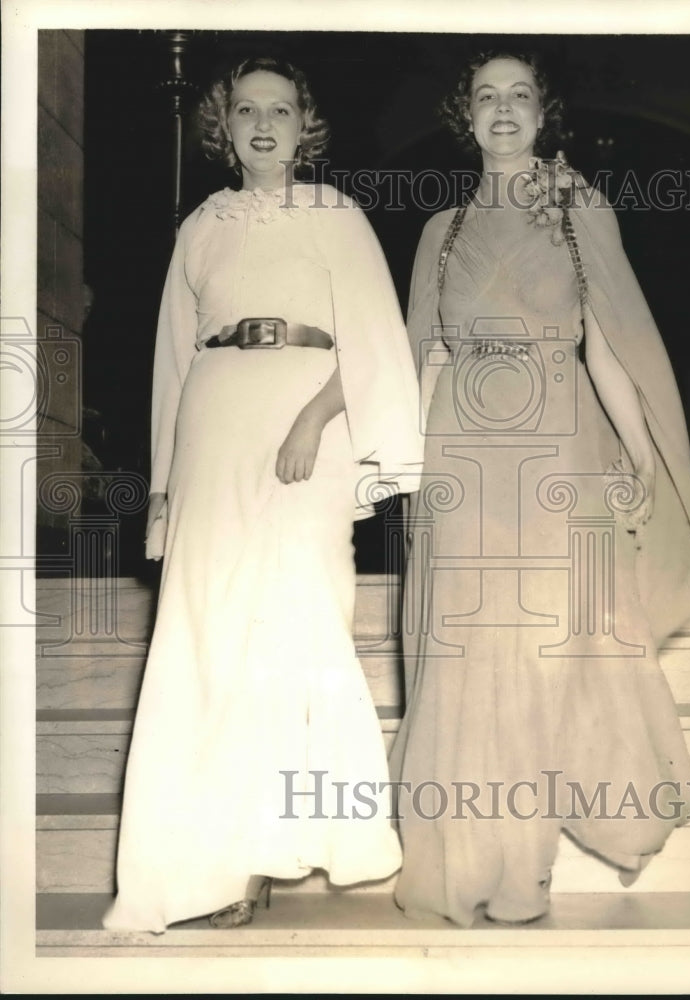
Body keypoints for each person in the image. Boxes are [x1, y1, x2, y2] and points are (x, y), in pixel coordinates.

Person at [103, 55, 424, 934]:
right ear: (225, 125)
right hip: (214, 423)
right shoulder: (201, 225)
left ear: (303, 124)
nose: (263, 124)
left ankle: (277, 841)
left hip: (306, 423)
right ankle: (216, 861)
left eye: (280, 109)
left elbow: (373, 338)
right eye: (246, 109)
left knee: (294, 622)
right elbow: (175, 364)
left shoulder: (336, 213)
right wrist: (165, 488)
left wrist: (315, 420)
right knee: (208, 635)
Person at [389, 50, 690, 927]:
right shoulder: (439, 229)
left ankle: (524, 872)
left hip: (558, 448)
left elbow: (606, 343)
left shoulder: (579, 210)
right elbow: (422, 355)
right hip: (462, 452)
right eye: (485, 96)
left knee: (540, 653)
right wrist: (412, 474)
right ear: (466, 115)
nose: (502, 110)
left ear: (542, 112)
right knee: (464, 657)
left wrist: (640, 458)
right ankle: (472, 859)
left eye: (518, 95)